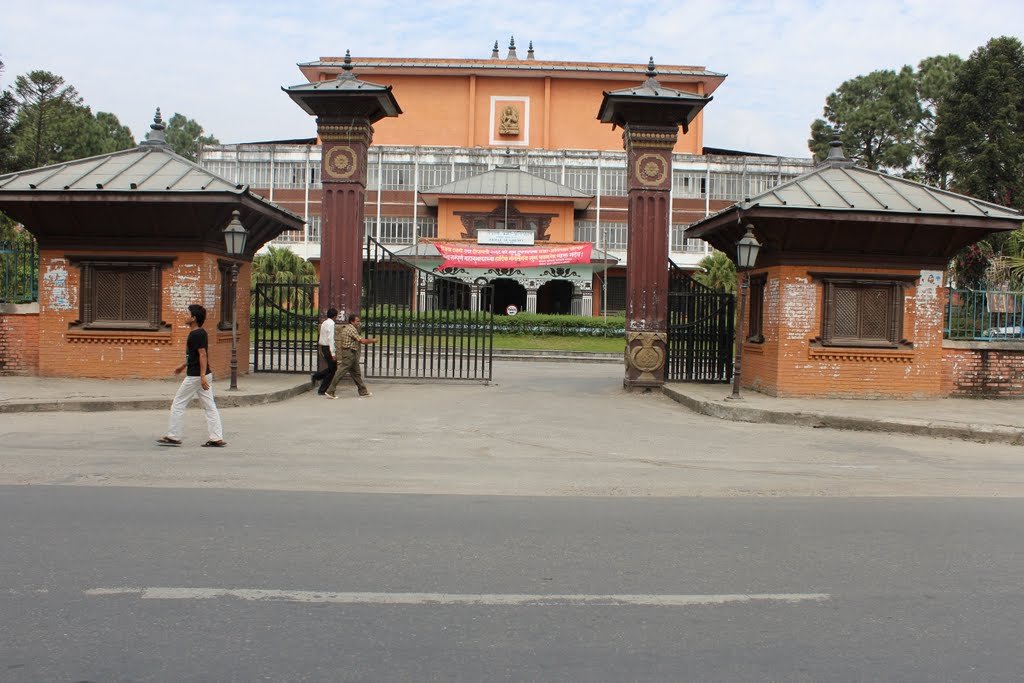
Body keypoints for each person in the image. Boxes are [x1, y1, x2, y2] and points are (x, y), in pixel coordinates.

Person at [157, 304, 226, 447]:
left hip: (196, 376)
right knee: (209, 406)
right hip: (202, 374)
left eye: (188, 314)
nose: (185, 316)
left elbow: (202, 354)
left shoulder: (196, 334)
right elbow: (193, 355)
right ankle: (216, 438)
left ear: (194, 318)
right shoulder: (200, 333)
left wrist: (201, 376)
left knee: (178, 403)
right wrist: (183, 366)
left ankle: (173, 436)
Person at [325, 313, 378, 399]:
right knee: (341, 372)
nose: (359, 323)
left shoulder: (350, 328)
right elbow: (362, 341)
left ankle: (363, 391)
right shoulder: (351, 329)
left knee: (356, 373)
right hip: (349, 353)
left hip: (351, 353)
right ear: (352, 321)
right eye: (357, 321)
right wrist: (373, 340)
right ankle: (330, 391)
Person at [311, 307, 339, 395]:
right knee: (332, 370)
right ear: (335, 316)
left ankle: (317, 376)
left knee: (332, 368)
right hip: (328, 347)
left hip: (323, 347)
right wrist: (333, 353)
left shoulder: (324, 323)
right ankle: (322, 389)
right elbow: (330, 339)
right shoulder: (331, 324)